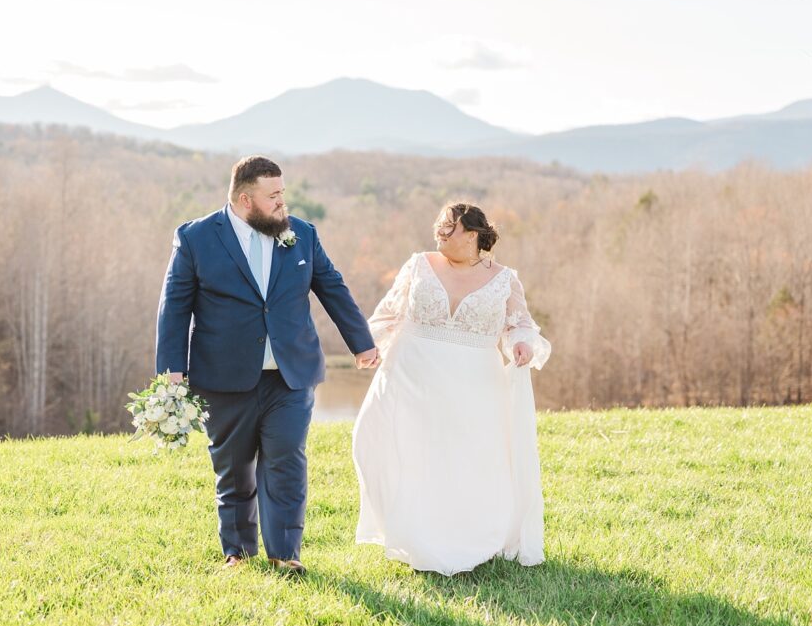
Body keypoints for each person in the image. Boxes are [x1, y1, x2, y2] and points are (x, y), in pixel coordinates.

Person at [156, 155, 379, 575]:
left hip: (290, 376)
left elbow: (331, 287)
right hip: (223, 377)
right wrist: (172, 368)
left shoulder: (302, 235)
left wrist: (361, 343)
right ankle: (238, 553)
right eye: (273, 195)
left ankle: (286, 554)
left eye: (283, 193)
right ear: (245, 199)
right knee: (235, 469)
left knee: (286, 461)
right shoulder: (196, 238)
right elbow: (174, 307)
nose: (282, 202)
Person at [352, 201, 551, 576]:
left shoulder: (505, 279)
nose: (439, 233)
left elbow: (519, 326)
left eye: (449, 227)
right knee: (400, 449)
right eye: (438, 226)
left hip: (474, 386)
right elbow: (389, 313)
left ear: (473, 235)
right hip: (411, 376)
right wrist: (368, 345)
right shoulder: (418, 265)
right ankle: (415, 536)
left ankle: (468, 537)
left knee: (466, 460)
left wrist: (521, 345)